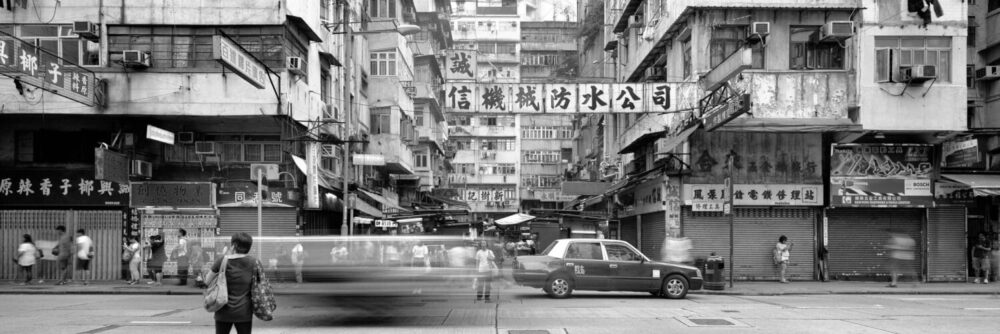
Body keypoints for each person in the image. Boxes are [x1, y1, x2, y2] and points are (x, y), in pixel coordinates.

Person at [208, 232, 258, 334]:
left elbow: (207, 280)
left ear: (234, 245)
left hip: (222, 310)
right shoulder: (254, 262)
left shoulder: (222, 260)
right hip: (244, 312)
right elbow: (259, 284)